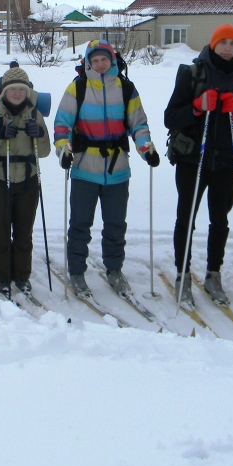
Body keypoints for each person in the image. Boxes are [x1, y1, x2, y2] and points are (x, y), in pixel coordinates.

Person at [53, 40, 158, 298]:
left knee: (115, 224)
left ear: (112, 60)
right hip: (84, 167)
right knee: (80, 224)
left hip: (117, 167)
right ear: (88, 62)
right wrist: (63, 149)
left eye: (104, 59)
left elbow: (138, 124)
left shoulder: (125, 88)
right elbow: (62, 125)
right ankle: (77, 271)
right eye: (95, 60)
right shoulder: (77, 88)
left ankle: (114, 270)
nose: (100, 64)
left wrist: (146, 148)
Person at [163, 23, 233, 306]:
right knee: (186, 217)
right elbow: (170, 117)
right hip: (193, 157)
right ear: (213, 44)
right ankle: (182, 273)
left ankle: (213, 274)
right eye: (222, 42)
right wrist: (196, 107)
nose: (227, 47)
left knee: (220, 220)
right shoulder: (191, 74)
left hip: (227, 159)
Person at [0, 65, 51, 298]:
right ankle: (1, 276)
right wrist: (0, 137)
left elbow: (44, 152)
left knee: (23, 230)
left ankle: (22, 275)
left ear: (28, 92)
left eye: (21, 89)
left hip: (28, 179)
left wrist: (38, 135)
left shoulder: (35, 115)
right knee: (0, 229)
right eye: (13, 90)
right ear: (4, 93)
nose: (17, 94)